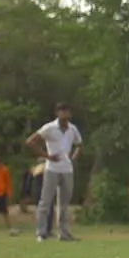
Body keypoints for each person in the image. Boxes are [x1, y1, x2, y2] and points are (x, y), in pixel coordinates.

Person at [24, 102, 83, 242]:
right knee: (45, 201)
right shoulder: (50, 128)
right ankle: (41, 232)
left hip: (67, 169)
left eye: (67, 111)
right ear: (57, 113)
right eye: (62, 111)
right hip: (52, 168)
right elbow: (30, 141)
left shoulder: (72, 129)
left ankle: (64, 233)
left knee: (64, 203)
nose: (64, 114)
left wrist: (73, 158)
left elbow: (79, 145)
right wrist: (47, 156)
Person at [19, 160, 54, 237]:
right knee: (48, 209)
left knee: (43, 209)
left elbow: (28, 183)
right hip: (43, 190)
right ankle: (46, 230)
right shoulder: (44, 167)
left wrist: (27, 193)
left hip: (39, 191)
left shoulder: (35, 169)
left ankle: (43, 229)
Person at [0, 155, 19, 235]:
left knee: (4, 212)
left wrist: (9, 194)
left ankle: (10, 228)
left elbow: (8, 183)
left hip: (0, 193)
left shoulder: (4, 170)